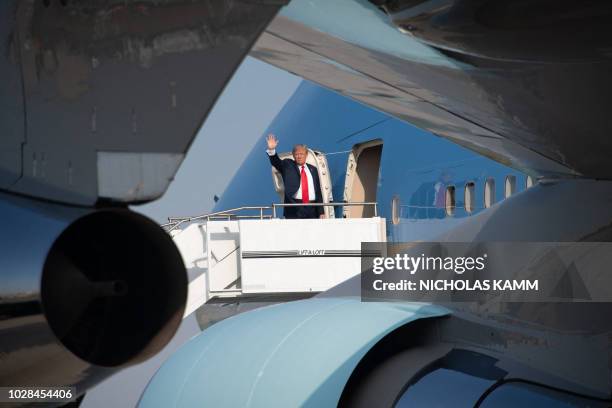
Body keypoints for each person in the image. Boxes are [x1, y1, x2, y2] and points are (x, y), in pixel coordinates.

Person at [266, 134, 325, 219]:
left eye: (301, 154)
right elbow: (276, 162)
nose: (299, 156)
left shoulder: (313, 169)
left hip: (312, 208)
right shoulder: (288, 165)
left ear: (306, 154)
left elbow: (318, 192)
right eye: (297, 154)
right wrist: (272, 150)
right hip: (295, 207)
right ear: (293, 155)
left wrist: (321, 212)